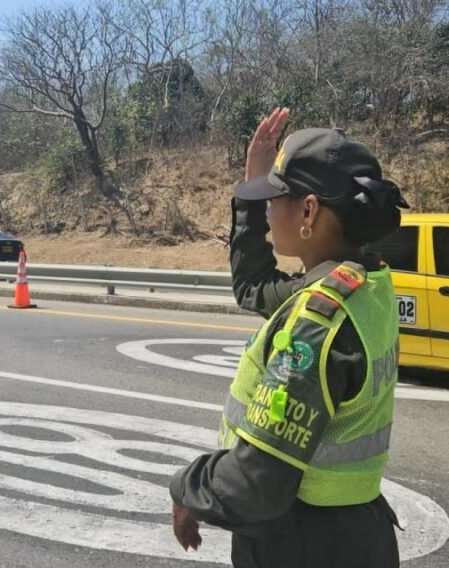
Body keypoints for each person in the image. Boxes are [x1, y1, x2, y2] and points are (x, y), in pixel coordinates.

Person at [169, 108, 410, 567]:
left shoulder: (316, 324)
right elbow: (254, 286)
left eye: (273, 199)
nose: (267, 208)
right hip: (354, 537)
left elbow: (256, 482)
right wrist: (251, 188)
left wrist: (186, 487)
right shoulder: (365, 280)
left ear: (308, 210)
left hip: (304, 546)